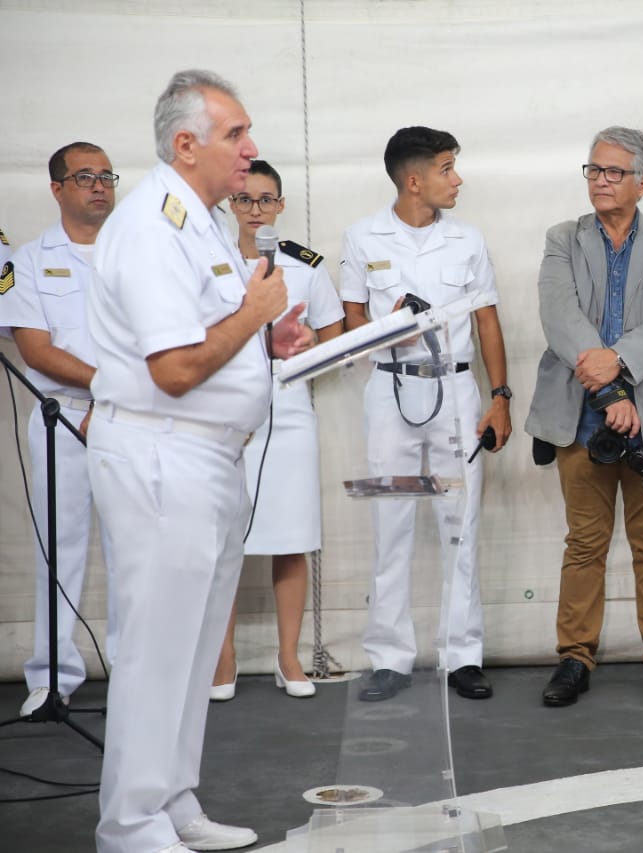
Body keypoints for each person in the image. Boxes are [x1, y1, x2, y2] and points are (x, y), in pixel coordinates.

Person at [86, 69, 313, 853]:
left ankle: (173, 798)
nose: (251, 150)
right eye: (235, 134)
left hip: (206, 457)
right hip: (160, 453)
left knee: (190, 643)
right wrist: (255, 311)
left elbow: (207, 335)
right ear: (186, 145)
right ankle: (131, 824)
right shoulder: (152, 224)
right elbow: (174, 368)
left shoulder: (205, 222)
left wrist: (267, 336)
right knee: (157, 646)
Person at [526, 126, 643, 708]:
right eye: (593, 170)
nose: (600, 181)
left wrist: (618, 363)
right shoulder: (563, 239)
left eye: (613, 172)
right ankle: (574, 658)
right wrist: (607, 392)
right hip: (580, 420)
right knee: (584, 545)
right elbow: (560, 317)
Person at [341, 126, 511, 703]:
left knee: (459, 526)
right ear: (414, 180)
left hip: (459, 396)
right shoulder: (362, 237)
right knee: (391, 523)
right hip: (389, 394)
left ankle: (462, 656)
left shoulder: (467, 239)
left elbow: (487, 319)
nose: (457, 178)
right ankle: (389, 657)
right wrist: (384, 322)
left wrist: (500, 397)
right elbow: (350, 331)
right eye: (446, 168)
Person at [210, 159, 345, 701]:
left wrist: (309, 344)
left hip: (288, 410)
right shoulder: (211, 263)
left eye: (266, 200)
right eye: (245, 199)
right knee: (223, 538)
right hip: (222, 410)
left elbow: (335, 338)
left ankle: (288, 657)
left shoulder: (304, 266)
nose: (256, 210)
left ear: (281, 206)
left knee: (291, 536)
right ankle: (223, 657)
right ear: (230, 205)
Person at [0, 142, 121, 719]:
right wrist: (105, 386)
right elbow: (34, 348)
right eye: (84, 177)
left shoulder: (138, 253)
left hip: (132, 417)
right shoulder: (28, 260)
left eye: (105, 176)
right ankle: (52, 678)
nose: (98, 185)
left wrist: (121, 396)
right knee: (60, 548)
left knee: (135, 549)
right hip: (62, 413)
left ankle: (135, 672)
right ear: (57, 189)